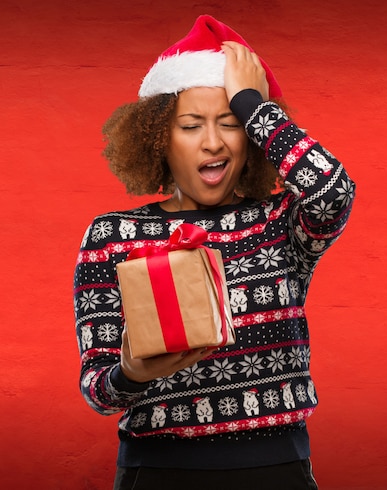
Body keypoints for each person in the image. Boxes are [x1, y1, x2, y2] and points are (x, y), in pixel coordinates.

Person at [74, 14, 355, 490]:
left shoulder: (280, 223)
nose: (212, 142)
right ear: (159, 137)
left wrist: (255, 105)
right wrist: (130, 372)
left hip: (277, 469)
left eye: (231, 123)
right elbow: (99, 391)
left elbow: (332, 191)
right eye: (190, 125)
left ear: (250, 139)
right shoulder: (113, 236)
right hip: (157, 472)